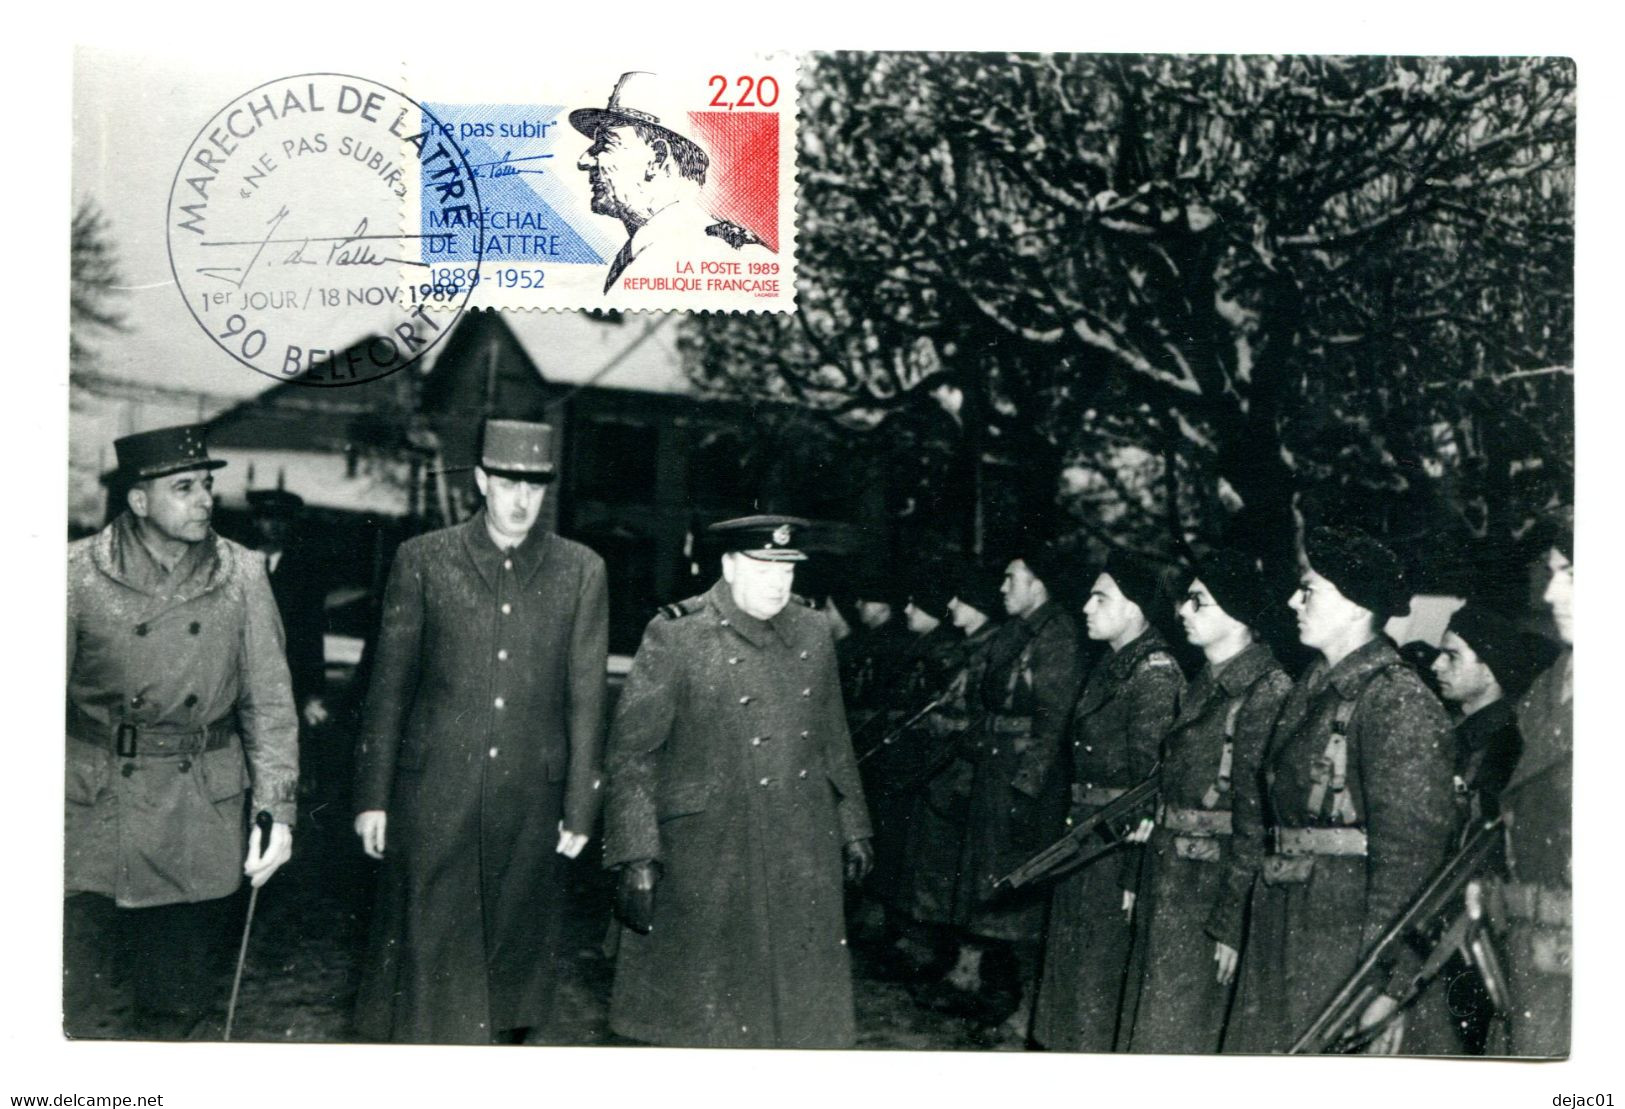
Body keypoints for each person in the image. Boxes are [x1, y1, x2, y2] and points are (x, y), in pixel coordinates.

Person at [352, 418, 608, 1044]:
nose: (522, 501)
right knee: (426, 967)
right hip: (434, 796)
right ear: (481, 481)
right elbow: (389, 691)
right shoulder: (424, 561)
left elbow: (587, 701)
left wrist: (580, 805)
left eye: (536, 487)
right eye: (509, 484)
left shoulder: (581, 572)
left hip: (531, 800)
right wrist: (372, 797)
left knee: (510, 972)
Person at [602, 515, 874, 1048]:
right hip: (709, 851)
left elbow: (832, 736)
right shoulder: (677, 634)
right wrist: (637, 856)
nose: (779, 582)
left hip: (800, 845)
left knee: (793, 1019)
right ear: (728, 566)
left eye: (788, 569)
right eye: (763, 567)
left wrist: (853, 824)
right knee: (704, 1020)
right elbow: (633, 757)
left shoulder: (813, 630)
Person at [65, 424, 298, 1039]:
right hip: (93, 813)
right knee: (80, 1007)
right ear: (139, 500)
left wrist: (277, 811)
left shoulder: (242, 574)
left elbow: (269, 705)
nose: (205, 499)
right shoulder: (75, 575)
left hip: (197, 814)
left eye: (208, 486)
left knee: (177, 1008)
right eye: (185, 487)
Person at [1226, 525, 1456, 1054]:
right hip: (1289, 929)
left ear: (1355, 607)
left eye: (1308, 590)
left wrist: (1387, 986)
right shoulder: (1316, 689)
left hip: (1345, 950)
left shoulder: (1396, 700)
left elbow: (1413, 865)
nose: (1292, 601)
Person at [1117, 551, 1292, 1053]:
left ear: (1238, 614)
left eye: (1199, 601)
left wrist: (1232, 919)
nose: (1183, 611)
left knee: (1182, 1033)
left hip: (1208, 890)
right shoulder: (1204, 683)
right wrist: (1136, 876)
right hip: (1171, 878)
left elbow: (1255, 819)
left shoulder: (1265, 691)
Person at [925, 548, 1084, 1033]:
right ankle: (973, 977)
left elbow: (1053, 720)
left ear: (1038, 584)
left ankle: (1003, 990)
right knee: (980, 876)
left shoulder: (1056, 635)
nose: (1002, 587)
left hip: (1019, 774)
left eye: (1011, 577)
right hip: (993, 766)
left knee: (1007, 881)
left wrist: (1027, 788)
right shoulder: (1015, 633)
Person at [1032, 552, 1184, 1052]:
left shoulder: (1153, 674)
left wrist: (1134, 874)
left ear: (1137, 609)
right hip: (1089, 837)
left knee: (1097, 975)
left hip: (1115, 848)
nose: (1087, 606)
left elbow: (1154, 783)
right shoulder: (1114, 665)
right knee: (1074, 972)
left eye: (1102, 597)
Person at [1413, 600, 1545, 1054]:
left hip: (1469, 934)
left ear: (1490, 672)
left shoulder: (1506, 747)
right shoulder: (1457, 733)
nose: (1435, 664)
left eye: (1452, 656)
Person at [1481, 519, 1572, 1056]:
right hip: (1531, 955)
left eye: (1573, 574)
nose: (1551, 591)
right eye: (1554, 572)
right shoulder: (1545, 690)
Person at [896, 565, 1007, 985]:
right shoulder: (968, 646)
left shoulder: (990, 650)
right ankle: (938, 953)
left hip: (964, 774)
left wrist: (938, 725)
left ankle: (962, 965)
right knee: (933, 865)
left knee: (952, 869)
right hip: (944, 773)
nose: (950, 606)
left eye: (960, 598)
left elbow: (973, 718)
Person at [571, 71, 770, 293]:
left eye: (604, 144)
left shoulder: (720, 253)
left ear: (657, 158)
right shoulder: (659, 251)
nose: (583, 160)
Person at [247, 489, 333, 795]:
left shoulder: (304, 572)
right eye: (267, 518)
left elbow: (311, 637)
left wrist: (313, 693)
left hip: (288, 681)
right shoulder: (239, 566)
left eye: (282, 519)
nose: (275, 526)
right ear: (256, 521)